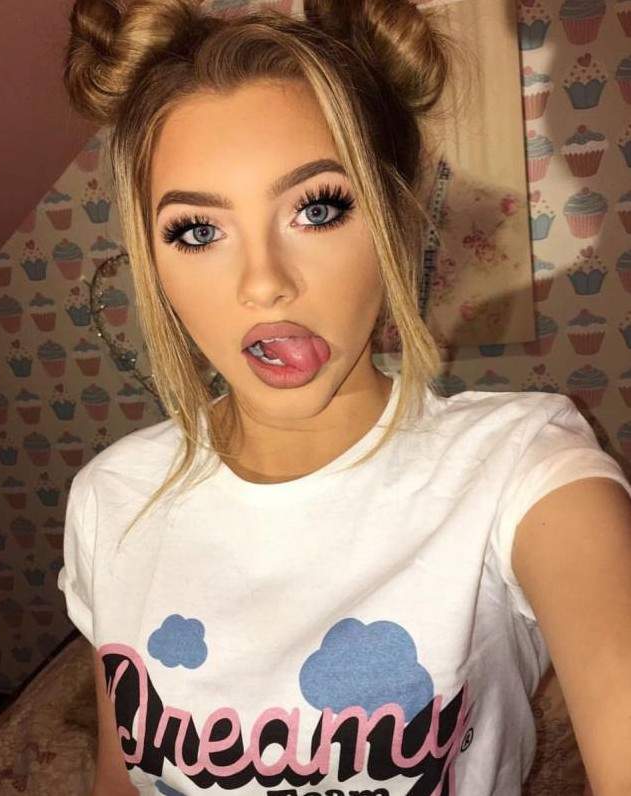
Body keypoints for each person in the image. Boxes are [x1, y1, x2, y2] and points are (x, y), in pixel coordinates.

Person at [56, 1, 631, 794]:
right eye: (197, 230)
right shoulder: (110, 498)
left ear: (395, 215)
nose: (264, 283)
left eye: (316, 209)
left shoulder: (523, 470)